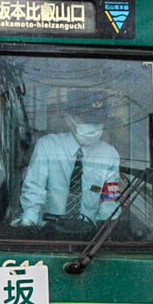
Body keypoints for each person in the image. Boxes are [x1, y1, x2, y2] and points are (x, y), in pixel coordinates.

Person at [17, 95, 121, 225]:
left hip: (91, 237)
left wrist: (106, 229)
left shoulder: (109, 155)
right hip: (47, 234)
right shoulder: (48, 146)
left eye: (97, 120)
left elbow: (108, 202)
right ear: (68, 119)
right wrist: (28, 222)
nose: (92, 125)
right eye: (85, 119)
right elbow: (34, 190)